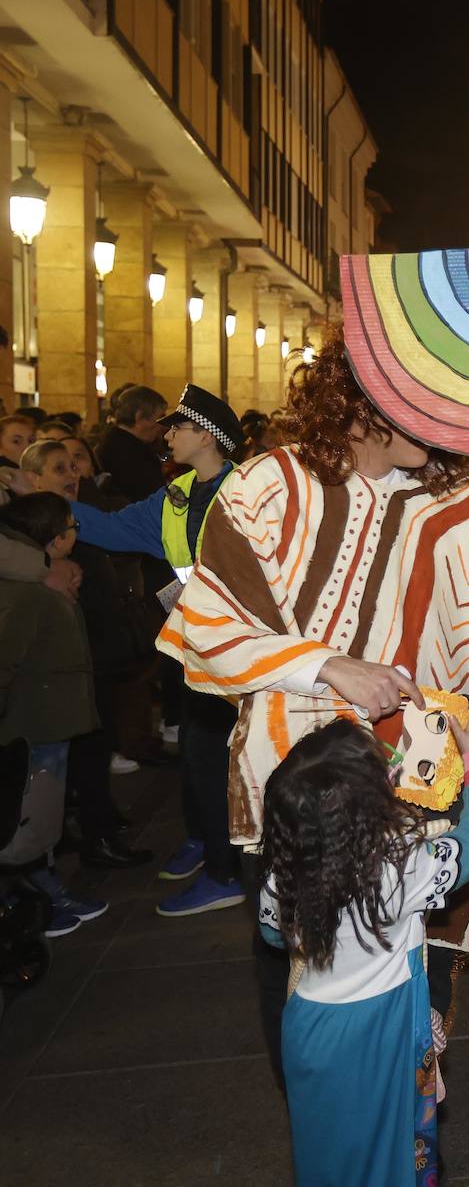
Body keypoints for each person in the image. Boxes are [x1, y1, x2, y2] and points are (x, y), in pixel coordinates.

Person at [159, 330, 469, 1071]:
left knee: (421, 958)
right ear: (369, 403)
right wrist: (328, 665)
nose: (438, 427)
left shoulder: (459, 499)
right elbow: (205, 628)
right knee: (293, 968)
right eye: (423, 407)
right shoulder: (265, 486)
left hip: (411, 783)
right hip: (290, 787)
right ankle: (325, 1118)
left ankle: (412, 1124)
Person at [258, 716, 469, 1187]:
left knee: (330, 1154)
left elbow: (273, 937)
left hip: (311, 1032)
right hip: (383, 1030)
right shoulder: (401, 870)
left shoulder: (281, 875)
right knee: (391, 1155)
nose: (393, 772)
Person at [70, 384, 246, 912]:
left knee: (217, 754)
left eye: (179, 426)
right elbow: (110, 528)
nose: (167, 434)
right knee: (199, 754)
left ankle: (228, 865)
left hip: (247, 649)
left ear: (208, 435)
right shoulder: (177, 494)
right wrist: (45, 506)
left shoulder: (254, 490)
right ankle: (211, 841)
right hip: (196, 646)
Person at [20, 442, 153, 869]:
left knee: (99, 735)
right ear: (35, 480)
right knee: (83, 749)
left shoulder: (78, 516)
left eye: (75, 464)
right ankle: (93, 837)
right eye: (59, 468)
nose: (72, 473)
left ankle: (99, 822)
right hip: (66, 659)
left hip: (95, 646)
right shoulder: (38, 531)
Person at [0, 493, 108, 936]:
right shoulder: (29, 592)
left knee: (41, 813)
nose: (75, 532)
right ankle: (38, 898)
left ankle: (38, 894)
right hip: (34, 723)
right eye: (70, 524)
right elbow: (8, 660)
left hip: (49, 719)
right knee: (30, 818)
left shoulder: (43, 582)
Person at [97, 384, 167, 503]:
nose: (163, 426)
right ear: (139, 417)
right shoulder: (127, 453)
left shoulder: (117, 442)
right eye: (160, 418)